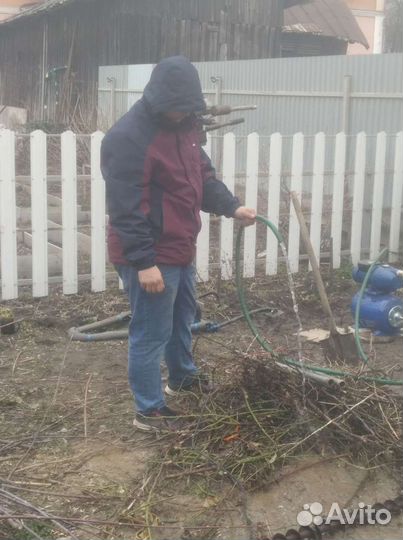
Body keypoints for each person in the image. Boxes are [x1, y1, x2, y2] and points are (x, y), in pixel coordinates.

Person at [101, 56, 256, 432]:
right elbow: (125, 207)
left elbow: (200, 176)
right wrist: (143, 263)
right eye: (175, 107)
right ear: (157, 99)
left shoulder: (185, 128)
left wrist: (232, 207)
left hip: (179, 245)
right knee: (152, 330)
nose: (180, 113)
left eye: (186, 107)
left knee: (182, 317)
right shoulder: (128, 137)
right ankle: (149, 410)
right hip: (149, 253)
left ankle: (182, 377)